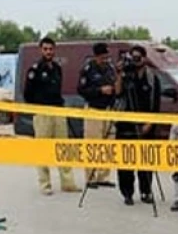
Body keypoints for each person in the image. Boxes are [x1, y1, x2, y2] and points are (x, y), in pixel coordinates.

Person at [24, 36, 78, 195]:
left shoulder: (57, 68)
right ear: (41, 50)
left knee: (63, 148)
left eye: (51, 49)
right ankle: (45, 184)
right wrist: (39, 108)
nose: (48, 52)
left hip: (58, 111)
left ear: (55, 50)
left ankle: (68, 183)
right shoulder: (35, 70)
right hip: (42, 113)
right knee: (43, 150)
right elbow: (28, 94)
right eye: (45, 49)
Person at [116, 45, 162, 206]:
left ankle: (146, 191)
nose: (135, 60)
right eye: (132, 57)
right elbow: (117, 92)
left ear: (144, 58)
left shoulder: (152, 78)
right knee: (125, 161)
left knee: (145, 160)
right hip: (125, 125)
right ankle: (127, 193)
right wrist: (120, 74)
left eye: (138, 57)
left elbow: (156, 104)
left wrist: (149, 123)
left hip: (145, 125)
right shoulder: (126, 75)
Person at [77, 42, 118, 189]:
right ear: (96, 56)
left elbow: (116, 85)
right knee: (93, 145)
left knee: (108, 146)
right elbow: (81, 90)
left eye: (107, 56)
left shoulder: (111, 68)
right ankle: (90, 177)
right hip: (94, 109)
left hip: (108, 110)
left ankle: (103, 176)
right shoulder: (88, 69)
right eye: (103, 56)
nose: (105, 59)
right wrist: (100, 90)